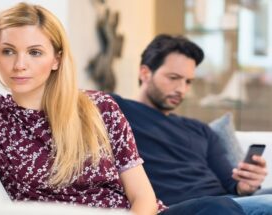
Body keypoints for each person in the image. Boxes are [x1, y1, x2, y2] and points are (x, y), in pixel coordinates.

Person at [0, 3, 245, 215]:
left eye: (35, 52)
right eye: (7, 51)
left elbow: (142, 196)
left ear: (56, 59)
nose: (20, 64)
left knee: (220, 208)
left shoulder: (97, 107)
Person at [111, 34, 272, 215]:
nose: (182, 89)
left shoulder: (201, 129)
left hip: (227, 203)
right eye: (173, 77)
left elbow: (231, 183)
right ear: (145, 73)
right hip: (179, 207)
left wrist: (245, 185)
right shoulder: (117, 111)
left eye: (188, 81)